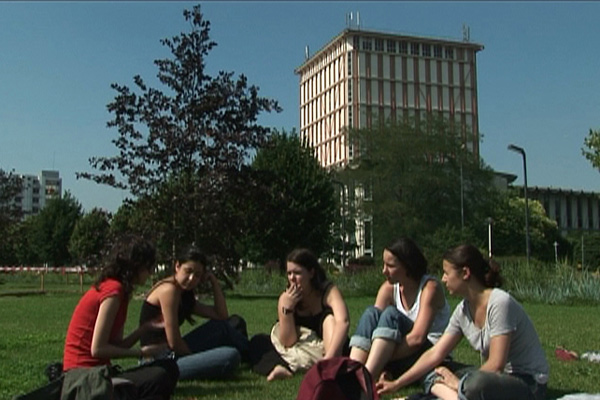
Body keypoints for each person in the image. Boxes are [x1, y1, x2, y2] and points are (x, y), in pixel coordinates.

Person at [377, 244, 549, 400]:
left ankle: (454, 393)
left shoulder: (499, 303)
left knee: (475, 385)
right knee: (434, 371)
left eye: (446, 273)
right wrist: (397, 383)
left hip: (527, 383)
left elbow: (496, 364)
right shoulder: (463, 310)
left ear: (465, 273)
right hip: (495, 381)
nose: (443, 279)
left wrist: (458, 383)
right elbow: (435, 353)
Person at [62, 235, 179, 400]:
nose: (150, 273)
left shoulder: (121, 293)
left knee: (168, 369)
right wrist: (141, 352)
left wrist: (144, 329)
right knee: (159, 377)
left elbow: (117, 346)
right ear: (136, 266)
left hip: (98, 372)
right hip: (84, 377)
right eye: (148, 267)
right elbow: (98, 349)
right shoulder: (113, 291)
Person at [138, 245, 249, 381]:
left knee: (225, 326)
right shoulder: (168, 290)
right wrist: (197, 357)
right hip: (158, 362)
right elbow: (174, 343)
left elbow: (221, 316)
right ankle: (257, 354)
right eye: (188, 271)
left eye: (197, 275)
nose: (191, 279)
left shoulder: (184, 294)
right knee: (231, 355)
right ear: (177, 266)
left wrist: (214, 282)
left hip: (173, 353)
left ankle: (257, 353)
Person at [349, 238, 450, 381]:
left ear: (407, 266)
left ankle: (366, 379)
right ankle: (353, 372)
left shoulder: (429, 288)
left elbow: (417, 339)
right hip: (398, 354)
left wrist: (382, 356)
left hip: (428, 356)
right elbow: (374, 328)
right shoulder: (388, 289)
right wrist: (378, 356)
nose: (384, 271)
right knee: (370, 313)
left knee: (391, 314)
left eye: (390, 266)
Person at [249, 248, 350, 381]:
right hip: (298, 346)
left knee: (330, 319)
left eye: (297, 273)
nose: (292, 278)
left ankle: (328, 363)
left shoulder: (327, 291)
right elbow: (288, 341)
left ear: (311, 273)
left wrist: (329, 357)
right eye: (289, 273)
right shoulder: (285, 298)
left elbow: (343, 321)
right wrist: (288, 310)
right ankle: (280, 368)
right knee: (258, 342)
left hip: (326, 345)